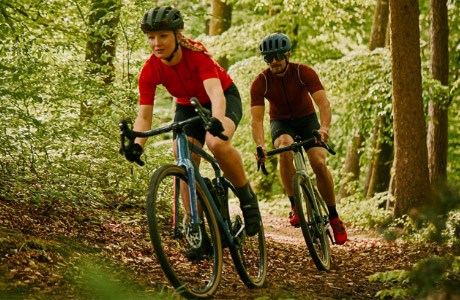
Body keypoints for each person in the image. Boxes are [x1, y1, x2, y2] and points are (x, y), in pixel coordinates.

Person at [124, 6, 262, 258]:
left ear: (178, 35)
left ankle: (247, 198)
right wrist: (137, 145)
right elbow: (144, 116)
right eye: (151, 37)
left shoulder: (197, 56)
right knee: (181, 154)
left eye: (163, 36)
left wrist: (217, 121)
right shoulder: (150, 69)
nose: (156, 43)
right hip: (188, 107)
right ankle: (196, 228)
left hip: (222, 98)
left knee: (217, 143)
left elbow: (216, 95)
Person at [250, 33, 347, 245]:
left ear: (287, 55)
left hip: (307, 120)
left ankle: (333, 216)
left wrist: (324, 129)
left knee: (319, 163)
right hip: (281, 123)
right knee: (284, 149)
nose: (273, 61)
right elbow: (256, 120)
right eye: (268, 58)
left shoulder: (303, 72)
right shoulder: (261, 82)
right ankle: (294, 203)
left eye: (277, 56)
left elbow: (323, 104)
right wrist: (260, 145)